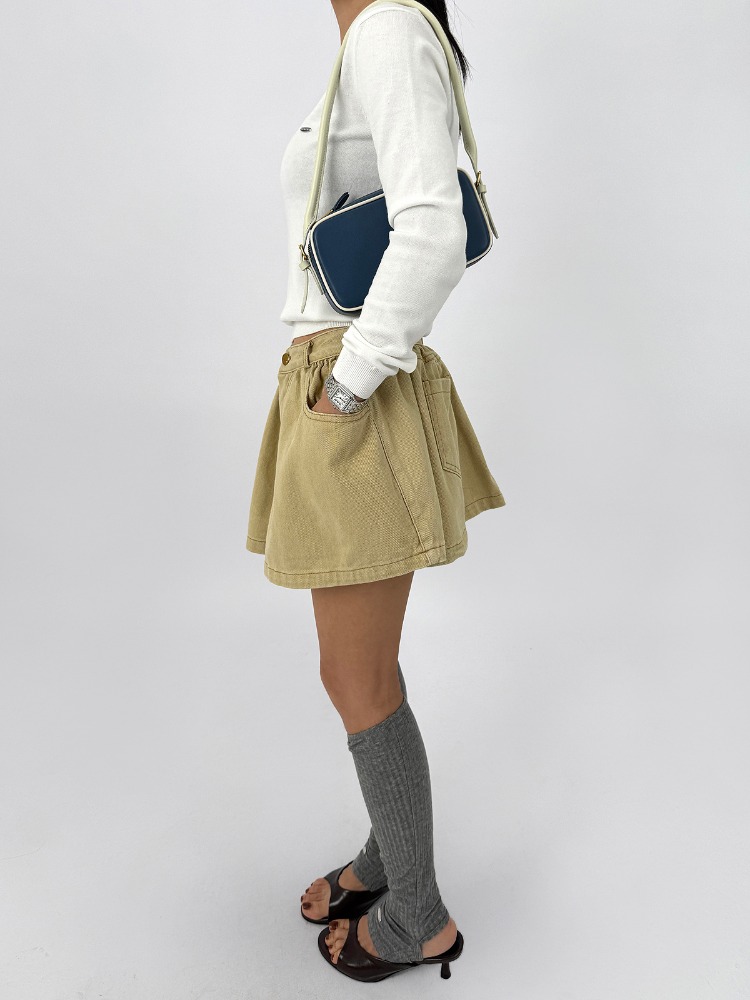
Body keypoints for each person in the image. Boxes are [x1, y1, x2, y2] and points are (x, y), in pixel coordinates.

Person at [245, 0, 506, 982]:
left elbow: (432, 231)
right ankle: (387, 856)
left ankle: (418, 918)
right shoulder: (377, 37)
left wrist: (347, 385)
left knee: (356, 676)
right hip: (335, 376)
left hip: (350, 384)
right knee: (361, 667)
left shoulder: (386, 31)